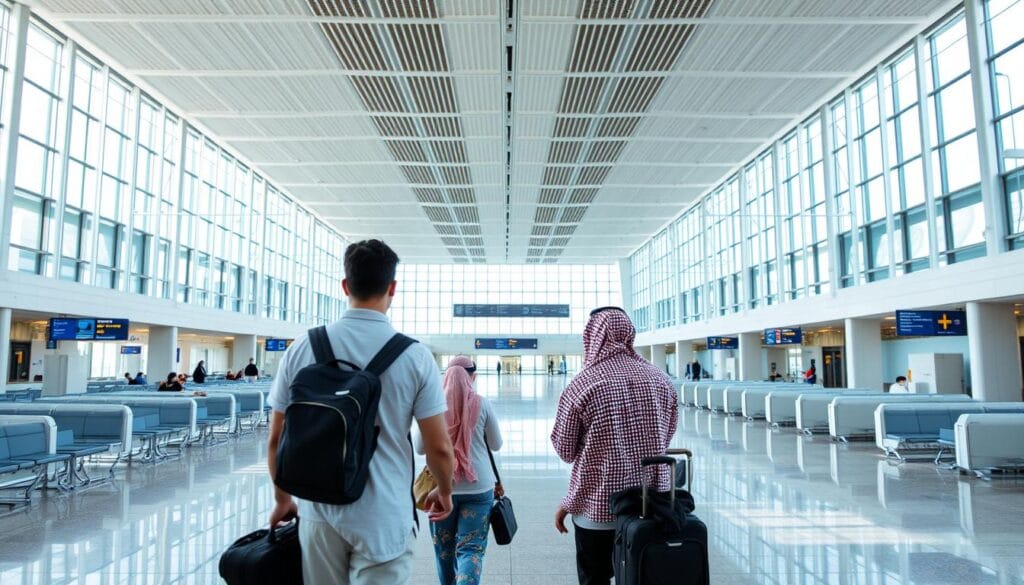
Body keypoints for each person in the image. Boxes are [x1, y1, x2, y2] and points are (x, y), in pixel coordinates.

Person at [267, 239, 455, 585]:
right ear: (392, 288)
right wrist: (443, 490)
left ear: (345, 285)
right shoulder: (414, 356)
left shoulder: (303, 347)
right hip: (383, 513)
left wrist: (282, 499)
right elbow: (439, 447)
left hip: (318, 510)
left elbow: (277, 438)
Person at [551, 307, 678, 585]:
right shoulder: (661, 380)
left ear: (592, 336)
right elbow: (665, 439)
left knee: (594, 578)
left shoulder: (582, 384)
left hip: (596, 511)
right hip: (651, 507)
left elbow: (565, 450)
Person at [415, 356, 503, 585]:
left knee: (444, 550)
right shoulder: (482, 403)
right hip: (479, 487)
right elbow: (496, 444)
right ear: (472, 377)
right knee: (471, 549)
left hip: (441, 487)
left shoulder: (434, 405)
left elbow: (420, 447)